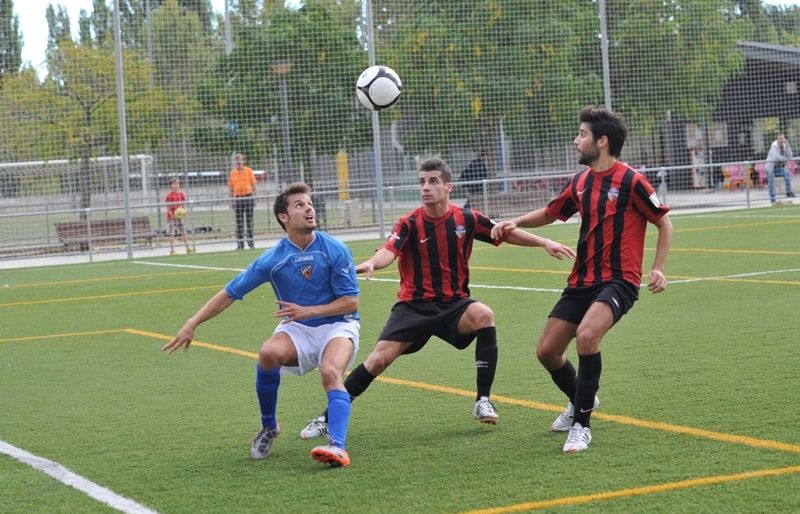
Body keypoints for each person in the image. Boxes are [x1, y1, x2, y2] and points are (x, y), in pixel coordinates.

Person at [299, 157, 575, 441]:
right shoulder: (408, 224)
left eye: (432, 182)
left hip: (454, 305)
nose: (426, 188)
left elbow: (503, 233)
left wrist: (545, 242)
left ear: (448, 187)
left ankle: (483, 400)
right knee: (378, 360)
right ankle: (326, 418)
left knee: (484, 315)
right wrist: (372, 263)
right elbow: (388, 251)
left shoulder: (466, 218)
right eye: (422, 182)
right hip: (413, 307)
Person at [491, 106, 673, 453]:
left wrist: (659, 267)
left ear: (602, 141)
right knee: (547, 352)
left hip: (619, 280)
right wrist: (514, 222)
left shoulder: (632, 180)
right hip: (581, 280)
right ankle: (582, 398)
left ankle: (581, 426)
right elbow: (551, 212)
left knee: (587, 336)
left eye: (581, 134)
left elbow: (663, 222)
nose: (576, 141)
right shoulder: (579, 182)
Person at [163, 183, 361, 468]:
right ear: (283, 217)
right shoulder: (272, 259)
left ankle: (337, 447)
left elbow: (350, 303)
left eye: (309, 203)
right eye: (299, 205)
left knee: (331, 372)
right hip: (298, 327)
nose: (309, 208)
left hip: (338, 325)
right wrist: (192, 323)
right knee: (268, 353)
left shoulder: (335, 249)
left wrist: (309, 310)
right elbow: (230, 292)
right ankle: (269, 427)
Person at [228, 153, 257, 249]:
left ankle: (251, 243)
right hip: (238, 198)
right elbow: (231, 188)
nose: (239, 162)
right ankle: (240, 244)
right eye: (237, 160)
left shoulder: (249, 171)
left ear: (243, 161)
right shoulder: (232, 173)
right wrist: (231, 201)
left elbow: (253, 185)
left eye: (240, 160)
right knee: (239, 221)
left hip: (248, 197)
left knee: (249, 221)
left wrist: (255, 198)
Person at [765, 133, 796, 204]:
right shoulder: (774, 146)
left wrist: (788, 145)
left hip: (779, 167)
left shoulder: (785, 145)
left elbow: (790, 155)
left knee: (787, 175)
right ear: (777, 139)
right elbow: (776, 158)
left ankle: (789, 192)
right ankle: (773, 200)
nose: (781, 140)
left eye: (782, 138)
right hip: (770, 167)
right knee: (771, 183)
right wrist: (785, 158)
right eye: (779, 139)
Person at [165, 178, 193, 255]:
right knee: (172, 233)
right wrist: (172, 215)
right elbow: (168, 208)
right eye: (174, 184)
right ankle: (172, 250)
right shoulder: (169, 196)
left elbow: (183, 205)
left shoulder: (181, 194)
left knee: (183, 232)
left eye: (177, 184)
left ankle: (187, 248)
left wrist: (184, 211)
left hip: (179, 217)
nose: (176, 185)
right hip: (171, 217)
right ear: (171, 185)